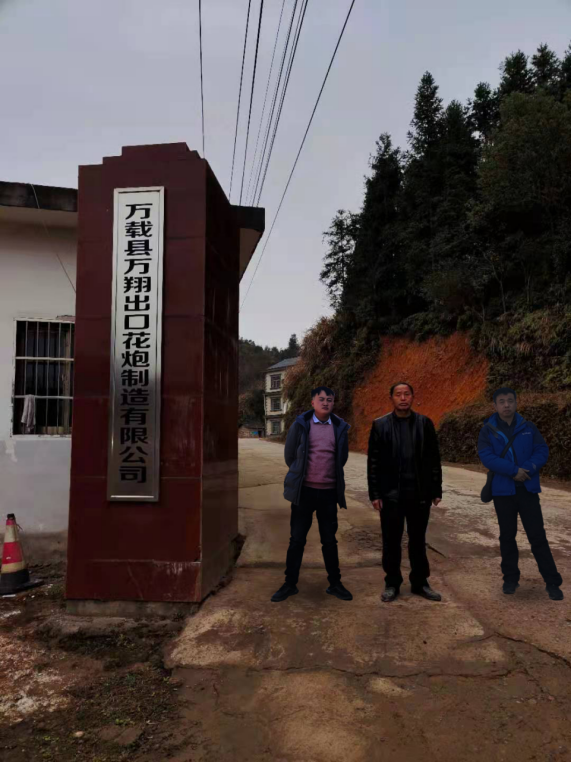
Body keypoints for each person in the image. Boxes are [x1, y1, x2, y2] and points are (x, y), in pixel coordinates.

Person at [477, 387, 563, 601]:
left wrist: (529, 468)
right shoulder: (487, 430)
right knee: (507, 536)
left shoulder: (529, 427)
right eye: (502, 401)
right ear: (495, 405)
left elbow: (541, 450)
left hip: (528, 490)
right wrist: (513, 471)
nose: (506, 405)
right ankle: (510, 579)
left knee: (537, 536)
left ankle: (552, 582)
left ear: (516, 403)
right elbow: (487, 457)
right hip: (502, 492)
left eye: (510, 400)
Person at [271, 386, 353, 603]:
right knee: (297, 540)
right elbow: (290, 456)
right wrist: (302, 476)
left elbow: (342, 458)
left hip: (328, 494)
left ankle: (335, 584)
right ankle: (290, 584)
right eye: (321, 399)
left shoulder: (339, 427)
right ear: (312, 402)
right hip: (304, 493)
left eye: (329, 399)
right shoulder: (301, 425)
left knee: (329, 541)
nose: (326, 403)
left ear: (333, 403)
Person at [367, 382, 443, 603]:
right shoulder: (380, 425)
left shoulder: (424, 424)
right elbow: (373, 463)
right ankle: (392, 583)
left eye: (406, 394)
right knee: (391, 542)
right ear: (391, 398)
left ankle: (420, 582)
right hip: (391, 496)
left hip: (419, 495)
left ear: (412, 397)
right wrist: (375, 494)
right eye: (398, 394)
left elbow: (434, 459)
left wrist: (436, 489)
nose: (403, 398)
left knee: (418, 541)